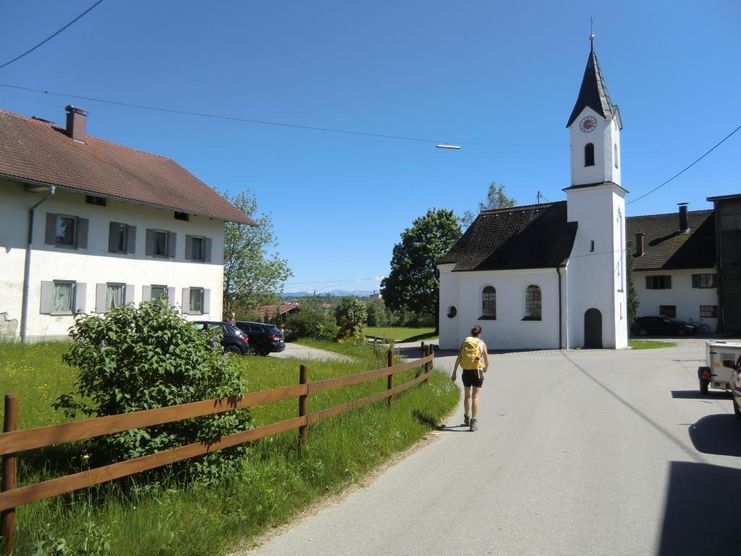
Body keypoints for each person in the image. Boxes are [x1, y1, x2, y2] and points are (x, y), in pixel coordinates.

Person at [450, 324, 489, 431]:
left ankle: (466, 417)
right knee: (475, 396)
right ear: (480, 333)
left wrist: (454, 372)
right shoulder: (482, 343)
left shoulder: (465, 341)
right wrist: (484, 368)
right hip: (477, 372)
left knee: (467, 396)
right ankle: (473, 421)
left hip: (466, 371)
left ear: (471, 332)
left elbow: (459, 358)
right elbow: (486, 361)